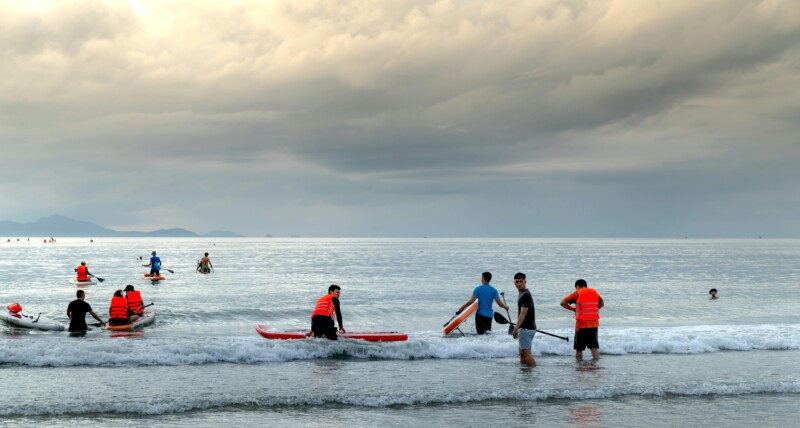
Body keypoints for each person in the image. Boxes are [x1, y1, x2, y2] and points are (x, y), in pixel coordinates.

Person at [560, 279, 604, 361]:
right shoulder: (594, 293)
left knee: (579, 348)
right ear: (585, 286)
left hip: (581, 325)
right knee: (593, 347)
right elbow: (602, 303)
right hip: (594, 324)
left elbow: (562, 303)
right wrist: (594, 309)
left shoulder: (577, 293)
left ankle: (579, 366)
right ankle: (596, 365)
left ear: (577, 287)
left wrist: (573, 309)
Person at [511, 272, 536, 367]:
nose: (519, 284)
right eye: (516, 282)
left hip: (526, 328)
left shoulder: (525, 295)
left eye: (521, 281)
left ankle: (532, 373)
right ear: (514, 282)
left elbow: (523, 313)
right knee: (522, 352)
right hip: (527, 328)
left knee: (526, 353)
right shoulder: (522, 293)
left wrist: (515, 328)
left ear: (525, 281)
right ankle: (524, 374)